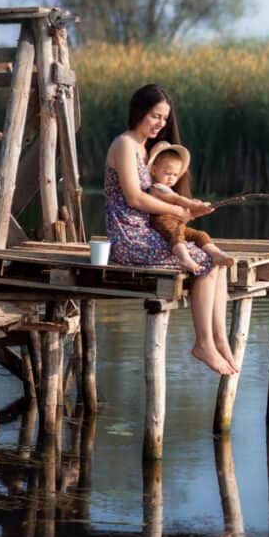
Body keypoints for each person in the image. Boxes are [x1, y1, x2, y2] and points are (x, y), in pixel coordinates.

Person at [104, 83, 238, 375]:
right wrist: (178, 211)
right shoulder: (124, 144)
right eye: (155, 116)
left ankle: (217, 339)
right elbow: (135, 198)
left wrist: (191, 206)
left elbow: (161, 191)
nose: (160, 124)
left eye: (164, 119)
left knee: (215, 261)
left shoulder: (146, 148)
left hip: (147, 229)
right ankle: (203, 342)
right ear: (138, 111)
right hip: (128, 234)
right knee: (204, 261)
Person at [145, 141, 234, 274]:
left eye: (175, 175)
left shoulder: (168, 189)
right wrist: (194, 204)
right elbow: (176, 199)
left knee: (199, 235)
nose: (171, 178)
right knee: (177, 234)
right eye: (167, 173)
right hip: (161, 221)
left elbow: (185, 212)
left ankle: (216, 254)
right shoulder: (157, 188)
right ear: (154, 170)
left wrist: (200, 208)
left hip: (176, 222)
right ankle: (184, 258)